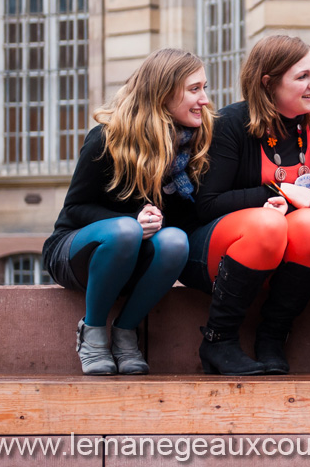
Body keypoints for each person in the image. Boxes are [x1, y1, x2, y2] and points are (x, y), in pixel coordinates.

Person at [43, 48, 210, 375]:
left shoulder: (191, 147)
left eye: (204, 87)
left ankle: (125, 332)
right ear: (163, 93)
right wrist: (132, 221)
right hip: (77, 252)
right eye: (194, 89)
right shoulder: (107, 138)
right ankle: (91, 333)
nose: (204, 98)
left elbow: (186, 220)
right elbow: (75, 209)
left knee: (176, 240)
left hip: (136, 257)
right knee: (124, 231)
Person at [186, 36, 310, 376]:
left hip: (283, 261)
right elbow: (206, 204)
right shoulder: (231, 124)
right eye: (302, 77)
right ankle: (218, 340)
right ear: (268, 83)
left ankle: (272, 337)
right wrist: (275, 191)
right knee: (268, 224)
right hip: (217, 253)